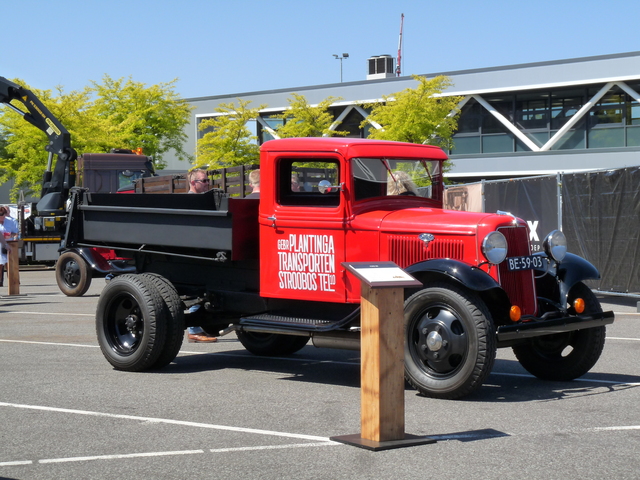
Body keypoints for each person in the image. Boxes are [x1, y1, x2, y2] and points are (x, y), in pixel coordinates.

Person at [185, 169, 218, 342]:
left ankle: (201, 328)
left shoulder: (203, 200)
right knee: (196, 292)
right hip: (194, 251)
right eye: (203, 181)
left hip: (204, 250)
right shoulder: (189, 201)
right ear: (193, 183)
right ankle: (194, 330)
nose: (207, 183)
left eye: (207, 180)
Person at [0, 206, 18, 287]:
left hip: (8, 243)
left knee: (9, 264)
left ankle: (12, 283)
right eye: (1, 215)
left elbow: (16, 232)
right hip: (2, 244)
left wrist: (11, 235)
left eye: (3, 215)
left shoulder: (10, 221)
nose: (2, 217)